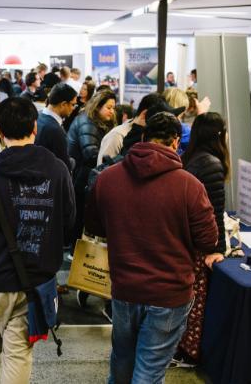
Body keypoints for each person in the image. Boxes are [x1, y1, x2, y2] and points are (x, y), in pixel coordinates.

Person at [85, 112, 218, 384]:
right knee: (150, 370)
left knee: (121, 360)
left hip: (124, 287)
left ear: (143, 138)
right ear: (175, 142)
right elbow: (208, 241)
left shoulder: (107, 179)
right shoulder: (189, 186)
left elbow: (95, 227)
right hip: (169, 292)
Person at [0, 97, 75, 384]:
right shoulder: (57, 168)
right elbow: (68, 220)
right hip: (35, 281)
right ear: (34, 127)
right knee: (19, 352)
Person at [176, 112, 229, 366]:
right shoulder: (212, 164)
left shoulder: (192, 158)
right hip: (199, 244)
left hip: (186, 238)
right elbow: (214, 210)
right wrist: (216, 248)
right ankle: (190, 351)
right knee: (196, 301)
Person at [66, 89, 116, 254]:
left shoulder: (93, 122)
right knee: (80, 216)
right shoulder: (87, 122)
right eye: (108, 107)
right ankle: (76, 254)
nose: (112, 111)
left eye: (113, 108)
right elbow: (91, 153)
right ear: (98, 107)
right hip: (81, 176)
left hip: (83, 175)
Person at [35, 83, 77, 169]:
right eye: (73, 104)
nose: (73, 108)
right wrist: (72, 162)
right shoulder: (55, 130)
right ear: (63, 104)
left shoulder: (37, 116)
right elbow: (64, 167)